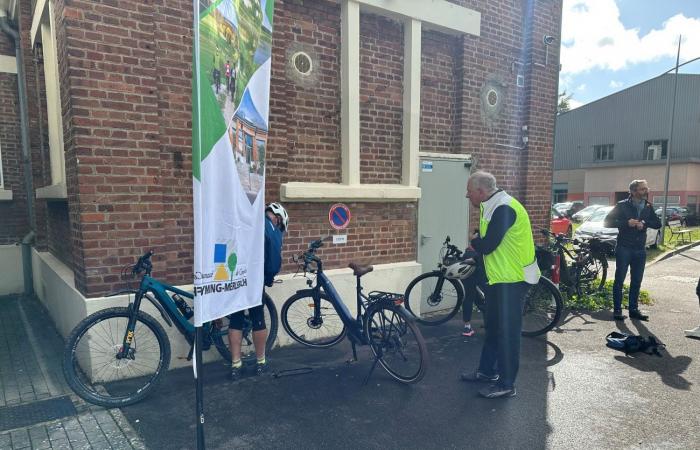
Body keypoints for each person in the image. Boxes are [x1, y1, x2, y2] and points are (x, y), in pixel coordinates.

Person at [459, 171, 540, 399]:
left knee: (508, 333)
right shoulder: (492, 205)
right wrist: (477, 248)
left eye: (469, 191)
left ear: (481, 191)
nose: (467, 196)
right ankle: (487, 372)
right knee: (493, 328)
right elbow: (491, 245)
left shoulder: (504, 208)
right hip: (499, 279)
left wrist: (475, 241)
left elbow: (488, 245)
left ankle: (506, 383)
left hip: (513, 281)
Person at [228, 202, 288, 380]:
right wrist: (268, 278)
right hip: (254, 279)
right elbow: (273, 261)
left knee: (236, 319)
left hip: (235, 275)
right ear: (277, 219)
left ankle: (235, 365)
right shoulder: (270, 228)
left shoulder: (242, 221)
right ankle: (260, 362)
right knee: (257, 319)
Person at [603, 180, 661, 321]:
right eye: (643, 189)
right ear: (634, 191)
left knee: (636, 281)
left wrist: (645, 223)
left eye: (646, 188)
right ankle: (617, 311)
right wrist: (626, 223)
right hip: (624, 248)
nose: (646, 191)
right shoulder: (622, 205)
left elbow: (658, 223)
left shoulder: (648, 206)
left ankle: (633, 310)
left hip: (640, 249)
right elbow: (607, 222)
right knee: (619, 280)